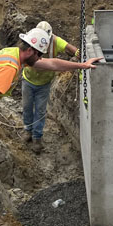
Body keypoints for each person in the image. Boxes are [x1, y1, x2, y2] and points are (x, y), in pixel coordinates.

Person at [0, 27, 99, 220]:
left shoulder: (16, 55)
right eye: (38, 53)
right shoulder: (10, 67)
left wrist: (82, 65)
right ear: (30, 50)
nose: (40, 58)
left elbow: (51, 63)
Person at [22, 20, 79, 153]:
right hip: (28, 80)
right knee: (27, 107)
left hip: (44, 84)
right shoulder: (31, 38)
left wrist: (79, 54)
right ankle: (27, 131)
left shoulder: (55, 41)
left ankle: (37, 137)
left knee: (41, 111)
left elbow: (71, 49)